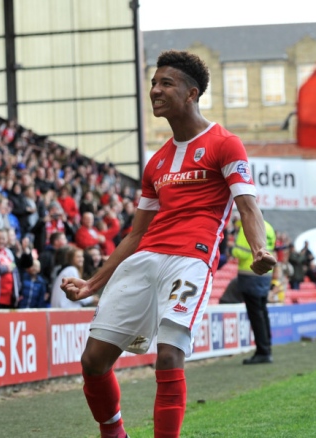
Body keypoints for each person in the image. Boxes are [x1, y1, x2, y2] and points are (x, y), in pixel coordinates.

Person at [60, 51, 276, 438]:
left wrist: (259, 249)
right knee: (93, 361)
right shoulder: (156, 163)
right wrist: (93, 283)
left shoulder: (225, 143)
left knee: (168, 355)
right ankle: (114, 432)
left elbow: (248, 206)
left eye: (166, 83)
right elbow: (136, 233)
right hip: (145, 259)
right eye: (154, 83)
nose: (155, 90)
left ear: (192, 93)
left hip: (190, 262)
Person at [233, 220, 276, 364]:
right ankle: (267, 348)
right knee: (262, 312)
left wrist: (233, 250)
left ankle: (263, 351)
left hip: (250, 273)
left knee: (256, 314)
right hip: (266, 274)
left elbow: (241, 252)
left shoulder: (248, 225)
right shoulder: (269, 227)